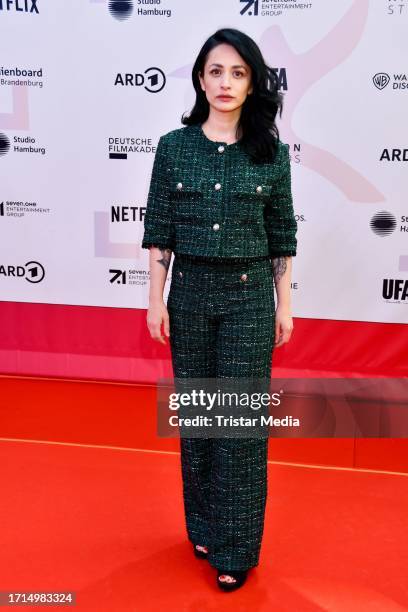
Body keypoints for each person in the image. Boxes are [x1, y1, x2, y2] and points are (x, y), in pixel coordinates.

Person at [142, 28, 298, 592]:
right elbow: (160, 230)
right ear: (200, 79)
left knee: (239, 426)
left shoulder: (271, 155)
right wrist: (155, 299)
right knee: (203, 420)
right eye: (215, 71)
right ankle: (204, 526)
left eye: (237, 73)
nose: (225, 83)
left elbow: (281, 234)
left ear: (253, 82)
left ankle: (237, 548)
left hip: (249, 297)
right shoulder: (173, 147)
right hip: (188, 297)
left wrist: (285, 306)